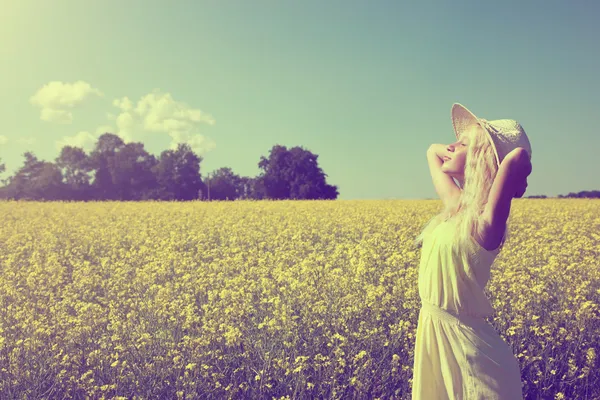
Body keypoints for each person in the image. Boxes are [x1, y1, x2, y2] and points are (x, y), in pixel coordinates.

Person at [411, 103, 533, 399]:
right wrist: (469, 145)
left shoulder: (486, 223)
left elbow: (516, 158)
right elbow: (431, 151)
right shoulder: (456, 207)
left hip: (472, 353)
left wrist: (497, 153)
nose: (450, 146)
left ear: (481, 158)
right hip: (435, 340)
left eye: (462, 144)